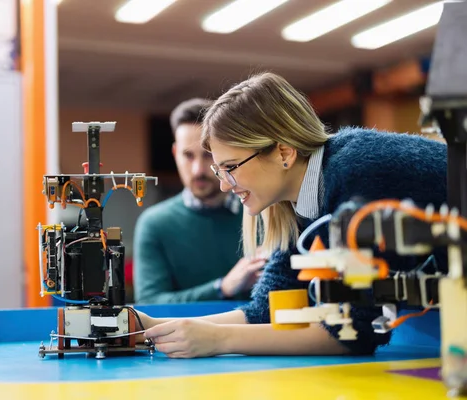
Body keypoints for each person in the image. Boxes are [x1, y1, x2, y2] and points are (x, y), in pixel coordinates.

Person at [133, 72, 448, 358]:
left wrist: (220, 339)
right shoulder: (298, 198)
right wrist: (153, 326)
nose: (224, 185)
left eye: (229, 168)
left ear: (283, 152)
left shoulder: (358, 173)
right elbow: (270, 308)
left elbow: (353, 333)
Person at [133, 98, 266, 304]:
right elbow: (150, 303)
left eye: (207, 155)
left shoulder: (262, 211)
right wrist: (222, 287)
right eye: (188, 156)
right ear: (175, 153)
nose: (198, 170)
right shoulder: (154, 224)